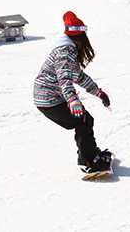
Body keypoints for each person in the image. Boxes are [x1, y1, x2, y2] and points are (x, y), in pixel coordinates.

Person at [34, 11, 112, 174]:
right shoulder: (65, 51)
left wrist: (98, 92)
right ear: (80, 36)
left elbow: (78, 76)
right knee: (82, 121)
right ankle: (89, 161)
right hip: (48, 99)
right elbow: (64, 78)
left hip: (52, 97)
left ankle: (90, 154)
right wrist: (72, 100)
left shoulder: (69, 48)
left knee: (85, 119)